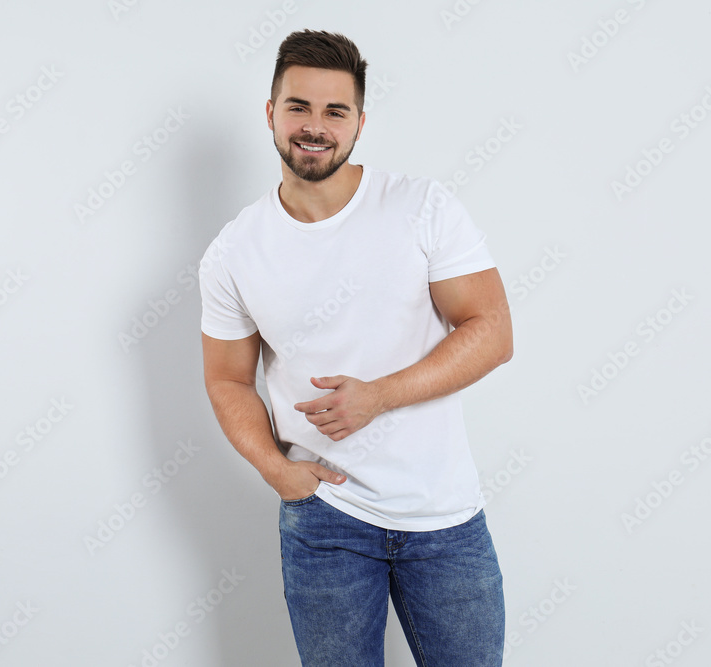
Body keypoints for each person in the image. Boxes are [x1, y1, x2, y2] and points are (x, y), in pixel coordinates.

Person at [199, 28, 513, 666]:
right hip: (325, 521)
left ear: (359, 123)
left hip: (444, 517)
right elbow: (228, 379)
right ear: (270, 113)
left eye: (335, 111)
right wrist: (276, 470)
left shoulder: (422, 207)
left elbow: (492, 331)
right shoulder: (235, 251)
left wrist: (379, 397)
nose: (315, 126)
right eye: (299, 107)